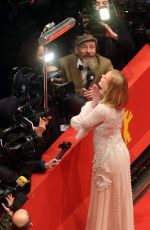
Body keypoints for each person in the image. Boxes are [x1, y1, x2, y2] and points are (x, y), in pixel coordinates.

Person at [70, 69, 134, 230]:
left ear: (110, 86)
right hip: (118, 154)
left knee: (105, 199)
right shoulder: (116, 103)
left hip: (107, 160)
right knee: (116, 198)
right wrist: (98, 99)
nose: (102, 76)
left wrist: (93, 103)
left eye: (106, 76)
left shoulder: (102, 109)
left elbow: (79, 124)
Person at [58, 33, 113, 101]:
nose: (88, 51)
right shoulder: (64, 63)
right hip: (73, 104)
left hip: (98, 103)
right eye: (84, 47)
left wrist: (100, 93)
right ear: (76, 50)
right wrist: (78, 92)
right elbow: (59, 89)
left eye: (92, 47)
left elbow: (113, 87)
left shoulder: (105, 63)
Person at [84, 0, 136, 70]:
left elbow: (131, 47)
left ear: (110, 5)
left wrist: (115, 36)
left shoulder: (117, 23)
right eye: (97, 4)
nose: (101, 7)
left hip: (115, 69)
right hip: (95, 70)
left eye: (105, 3)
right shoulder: (88, 25)